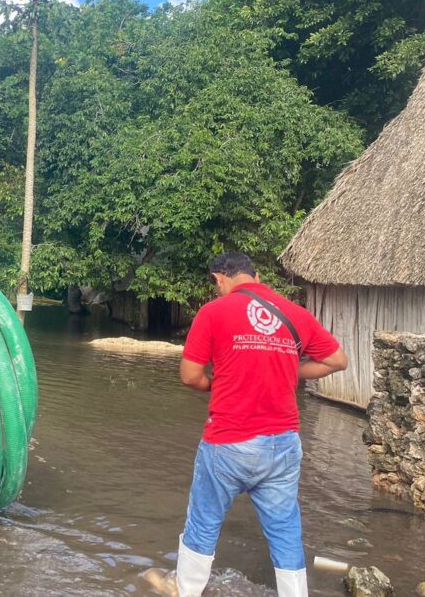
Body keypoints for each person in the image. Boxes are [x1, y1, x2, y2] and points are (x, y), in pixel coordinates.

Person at [143, 252, 348, 597]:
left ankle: (186, 589)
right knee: (285, 529)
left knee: (204, 521)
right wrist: (290, 371)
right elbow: (337, 360)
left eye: (216, 284)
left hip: (229, 441)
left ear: (220, 278)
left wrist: (216, 382)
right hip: (283, 443)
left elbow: (190, 376)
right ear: (255, 276)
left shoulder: (213, 312)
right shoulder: (296, 314)